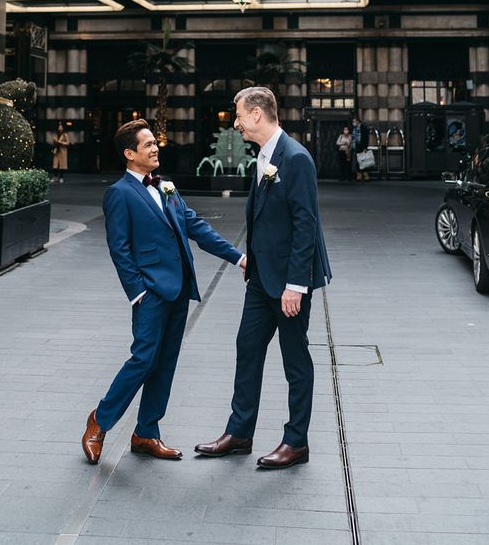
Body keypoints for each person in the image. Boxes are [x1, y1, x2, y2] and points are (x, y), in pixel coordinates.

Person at [81, 118, 245, 465]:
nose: (155, 148)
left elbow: (195, 227)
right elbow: (119, 249)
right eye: (147, 144)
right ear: (129, 154)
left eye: (155, 142)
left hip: (179, 289)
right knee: (143, 359)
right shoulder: (119, 194)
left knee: (165, 363)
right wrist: (138, 292)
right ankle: (100, 421)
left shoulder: (167, 186)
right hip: (151, 294)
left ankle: (146, 433)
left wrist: (239, 258)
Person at [195, 86, 331, 470]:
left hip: (288, 284)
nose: (235, 123)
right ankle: (239, 433)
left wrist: (296, 285)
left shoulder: (296, 158)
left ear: (256, 114)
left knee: (295, 361)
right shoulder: (264, 157)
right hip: (260, 279)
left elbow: (306, 225)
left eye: (238, 115)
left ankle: (296, 441)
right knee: (247, 349)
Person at [351, 116, 369, 181]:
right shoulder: (354, 128)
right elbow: (353, 138)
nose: (353, 123)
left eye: (354, 121)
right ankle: (359, 175)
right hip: (356, 146)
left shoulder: (363, 128)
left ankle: (365, 175)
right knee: (357, 162)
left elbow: (366, 138)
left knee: (363, 161)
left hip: (361, 146)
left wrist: (365, 147)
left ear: (358, 121)